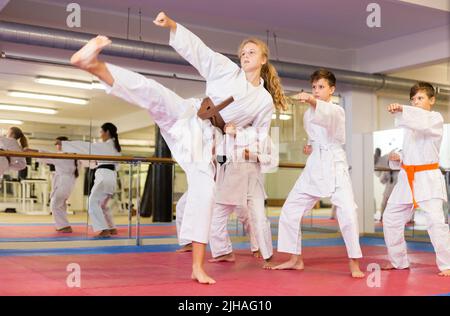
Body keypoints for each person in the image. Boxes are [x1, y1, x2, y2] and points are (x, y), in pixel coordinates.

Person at [70, 11, 286, 284]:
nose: (244, 55)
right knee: (155, 93)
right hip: (190, 116)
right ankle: (93, 65)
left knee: (206, 193)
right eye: (242, 52)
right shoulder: (226, 70)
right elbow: (200, 52)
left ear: (263, 60)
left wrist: (237, 132)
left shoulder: (264, 101)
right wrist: (173, 27)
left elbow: (260, 135)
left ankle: (197, 266)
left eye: (251, 52)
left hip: (206, 145)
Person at [272, 69, 365, 278]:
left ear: (332, 89)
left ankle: (354, 262)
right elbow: (315, 138)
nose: (316, 90)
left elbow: (330, 123)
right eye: (314, 87)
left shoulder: (337, 110)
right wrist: (309, 147)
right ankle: (295, 258)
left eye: (321, 87)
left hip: (335, 164)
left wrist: (312, 101)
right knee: (290, 209)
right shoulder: (307, 114)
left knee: (348, 213)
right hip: (314, 165)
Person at [381, 82, 450, 277]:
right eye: (413, 99)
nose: (416, 102)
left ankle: (447, 264)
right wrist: (399, 157)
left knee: (436, 222)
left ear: (432, 100)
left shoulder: (435, 118)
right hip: (406, 178)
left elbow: (421, 122)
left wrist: (403, 109)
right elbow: (411, 150)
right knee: (391, 218)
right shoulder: (409, 127)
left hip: (427, 178)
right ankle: (398, 261)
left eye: (420, 98)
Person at [62, 123, 122, 238]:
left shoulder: (106, 146)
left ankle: (104, 229)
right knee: (103, 205)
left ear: (107, 132)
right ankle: (112, 227)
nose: (100, 134)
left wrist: (65, 145)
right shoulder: (115, 147)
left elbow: (86, 146)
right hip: (111, 176)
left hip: (104, 177)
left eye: (101, 132)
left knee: (92, 202)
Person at [26, 137, 79, 233]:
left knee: (55, 204)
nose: (57, 146)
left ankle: (64, 226)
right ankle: (63, 225)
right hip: (68, 182)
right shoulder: (73, 155)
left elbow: (45, 153)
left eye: (58, 144)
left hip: (63, 182)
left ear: (64, 145)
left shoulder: (63, 155)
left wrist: (30, 150)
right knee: (60, 204)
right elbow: (47, 155)